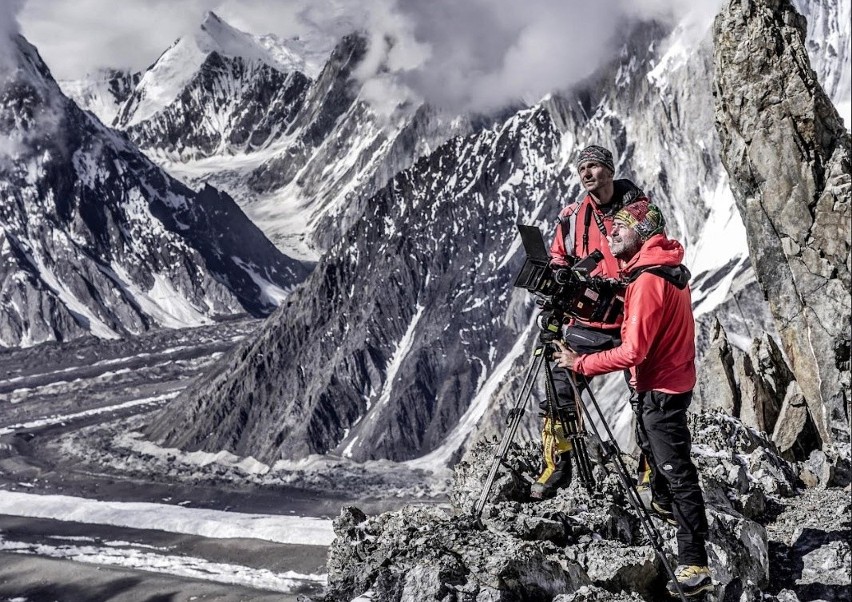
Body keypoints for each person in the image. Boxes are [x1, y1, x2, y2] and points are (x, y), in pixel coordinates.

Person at [553, 200, 712, 598]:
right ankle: (660, 502)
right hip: (674, 380)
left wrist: (581, 363)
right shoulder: (666, 268)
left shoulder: (646, 283)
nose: (610, 235)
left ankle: (694, 562)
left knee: (677, 471)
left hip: (660, 387)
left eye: (619, 230)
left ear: (640, 234)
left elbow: (632, 353)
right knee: (655, 452)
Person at [530, 144, 646, 500]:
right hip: (588, 321)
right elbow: (558, 256)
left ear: (609, 170)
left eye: (594, 166)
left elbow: (653, 253)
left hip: (632, 317)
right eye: (582, 168)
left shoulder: (638, 211)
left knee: (646, 397)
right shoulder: (573, 216)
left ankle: (650, 468)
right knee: (558, 383)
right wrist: (562, 278)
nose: (586, 173)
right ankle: (557, 462)